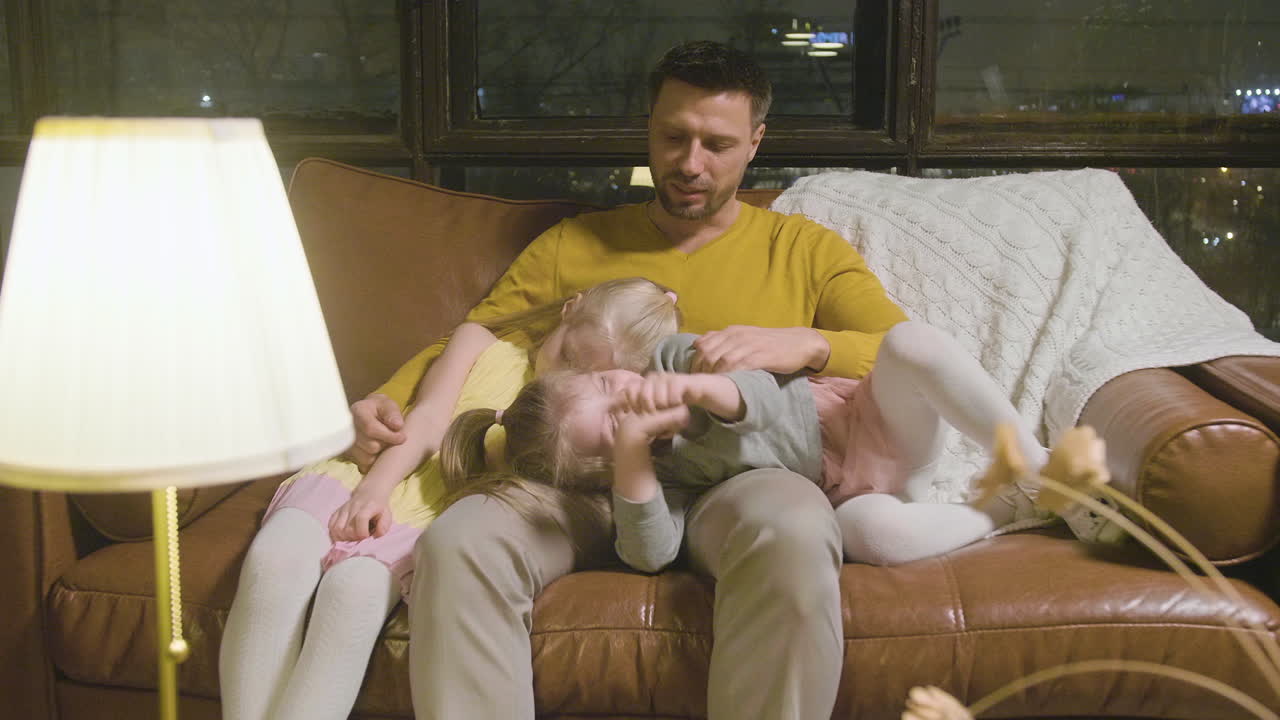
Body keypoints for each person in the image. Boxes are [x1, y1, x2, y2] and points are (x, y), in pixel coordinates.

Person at [357, 41, 910, 719]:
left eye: (717, 143)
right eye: (673, 137)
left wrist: (808, 343)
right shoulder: (575, 243)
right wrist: (386, 398)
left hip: (733, 476)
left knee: (794, 526)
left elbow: (901, 351)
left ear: (756, 142)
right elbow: (475, 335)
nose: (690, 163)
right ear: (648, 126)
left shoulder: (803, 249)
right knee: (458, 541)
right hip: (572, 481)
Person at [218, 277, 680, 720]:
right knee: (276, 559)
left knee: (354, 593)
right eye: (567, 356)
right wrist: (374, 489)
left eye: (589, 375)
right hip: (370, 476)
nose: (559, 376)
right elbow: (429, 417)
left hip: (431, 514)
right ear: (569, 309)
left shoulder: (584, 419)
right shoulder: (479, 341)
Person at [441, 323, 1056, 572]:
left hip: (876, 418)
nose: (623, 400)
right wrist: (635, 453)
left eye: (606, 385)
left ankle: (1042, 467)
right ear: (606, 470)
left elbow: (761, 396)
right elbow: (650, 553)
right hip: (860, 492)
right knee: (870, 538)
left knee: (911, 341)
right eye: (609, 428)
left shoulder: (672, 358)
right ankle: (1004, 510)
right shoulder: (666, 478)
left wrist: (696, 389)